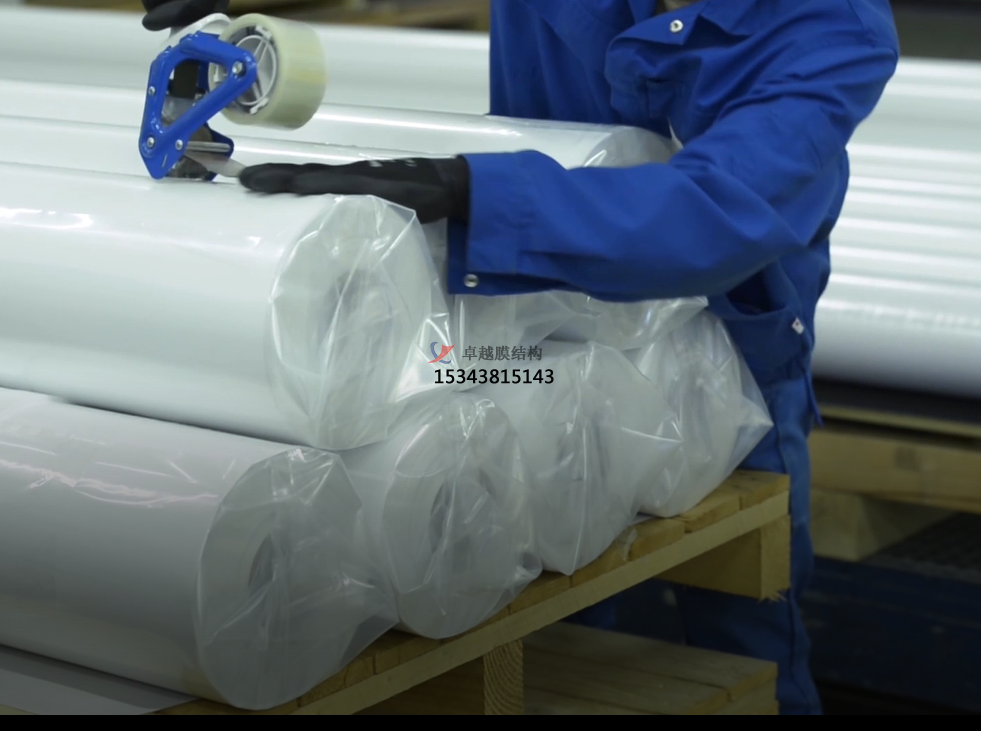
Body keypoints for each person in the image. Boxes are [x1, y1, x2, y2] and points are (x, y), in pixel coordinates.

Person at [142, 0, 900, 715]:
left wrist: (480, 197)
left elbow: (717, 208)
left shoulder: (831, 27)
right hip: (524, 321)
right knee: (546, 577)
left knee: (743, 612)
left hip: (725, 343)